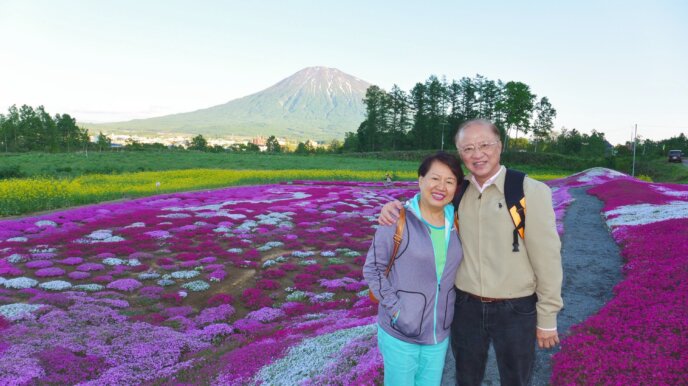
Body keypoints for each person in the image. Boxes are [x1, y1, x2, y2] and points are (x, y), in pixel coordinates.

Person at [379, 119, 563, 386]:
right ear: (460, 153)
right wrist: (395, 208)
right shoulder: (458, 190)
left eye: (485, 145)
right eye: (468, 149)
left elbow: (548, 258)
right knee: (466, 378)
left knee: (516, 380)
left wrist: (548, 316)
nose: (477, 154)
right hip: (466, 306)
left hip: (516, 308)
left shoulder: (528, 191)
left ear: (500, 146)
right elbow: (425, 204)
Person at [364, 152, 464, 386]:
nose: (441, 187)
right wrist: (398, 312)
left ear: (456, 187)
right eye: (434, 178)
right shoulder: (397, 220)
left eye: (449, 181)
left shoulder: (458, 221)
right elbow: (373, 269)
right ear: (420, 180)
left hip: (438, 335)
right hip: (401, 335)